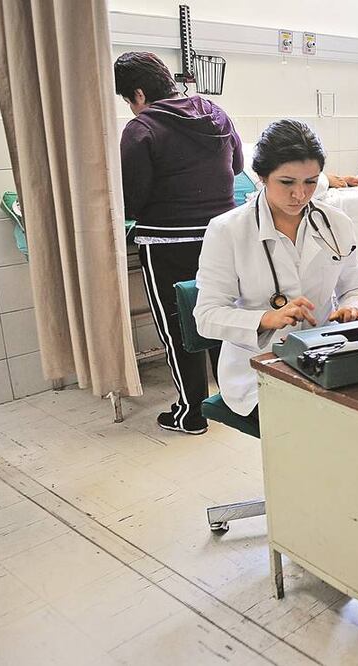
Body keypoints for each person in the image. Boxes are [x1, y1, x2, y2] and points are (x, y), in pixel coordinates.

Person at [194, 120, 358, 422]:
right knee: (323, 423)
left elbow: (354, 288)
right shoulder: (228, 230)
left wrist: (353, 308)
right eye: (287, 183)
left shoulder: (336, 223)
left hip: (325, 355)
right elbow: (206, 316)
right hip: (258, 368)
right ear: (262, 177)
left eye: (311, 182)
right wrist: (266, 319)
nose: (300, 195)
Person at [115, 51, 243, 435]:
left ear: (138, 92)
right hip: (222, 234)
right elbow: (236, 167)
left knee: (177, 325)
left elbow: (131, 200)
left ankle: (191, 413)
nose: (131, 108)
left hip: (168, 241)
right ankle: (233, 400)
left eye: (128, 100)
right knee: (222, 315)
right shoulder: (215, 113)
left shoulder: (141, 130)